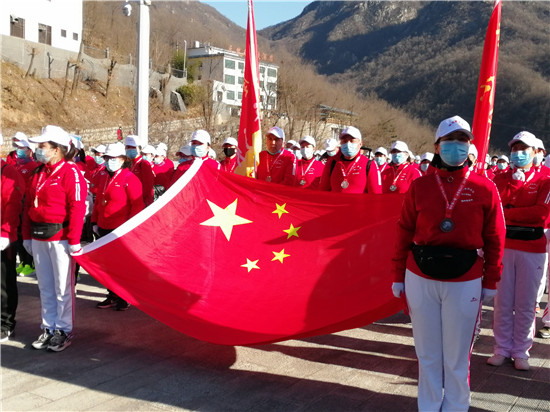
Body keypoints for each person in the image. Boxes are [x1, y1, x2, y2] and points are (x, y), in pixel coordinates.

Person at [392, 115, 505, 411]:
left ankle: (456, 406)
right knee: (427, 353)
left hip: (465, 279)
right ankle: (429, 406)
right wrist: (397, 274)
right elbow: (404, 230)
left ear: (470, 148)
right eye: (450, 141)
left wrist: (491, 279)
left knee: (456, 356)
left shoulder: (485, 187)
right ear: (437, 146)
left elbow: (495, 236)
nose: (456, 146)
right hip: (420, 275)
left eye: (462, 141)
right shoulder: (420, 186)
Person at [22, 125, 87, 352]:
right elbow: (28, 205)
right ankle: (48, 327)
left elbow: (77, 207)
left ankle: (63, 329)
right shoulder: (38, 173)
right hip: (39, 236)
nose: (39, 150)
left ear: (57, 149)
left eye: (43, 146)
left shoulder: (71, 172)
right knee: (46, 287)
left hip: (60, 238)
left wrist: (74, 240)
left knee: (63, 288)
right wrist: (26, 236)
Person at [489, 131, 550, 371]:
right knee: (502, 301)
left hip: (533, 249)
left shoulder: (546, 180)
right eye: (515, 149)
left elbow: (542, 214)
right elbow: (495, 208)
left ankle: (521, 351)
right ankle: (501, 348)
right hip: (505, 246)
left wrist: (509, 213)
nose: (519, 153)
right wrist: (516, 206)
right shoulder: (501, 178)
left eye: (525, 149)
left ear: (536, 153)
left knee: (525, 304)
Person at [92, 143, 144, 311]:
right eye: (107, 158)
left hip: (120, 230)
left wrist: (128, 229)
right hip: (103, 227)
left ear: (122, 160)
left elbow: (137, 206)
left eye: (114, 158)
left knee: (121, 266)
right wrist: (94, 222)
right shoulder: (103, 177)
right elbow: (98, 202)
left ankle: (124, 296)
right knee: (107, 266)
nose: (110, 161)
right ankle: (111, 294)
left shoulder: (130, 179)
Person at [1, 154, 26, 342]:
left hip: (4, 236)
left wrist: (5, 232)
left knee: (4, 282)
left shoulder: (8, 172)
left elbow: (13, 203)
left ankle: (6, 323)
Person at [319, 126, 382, 194]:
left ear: (360, 144)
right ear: (341, 144)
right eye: (345, 141)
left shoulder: (369, 164)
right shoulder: (331, 163)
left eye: (352, 141)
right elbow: (322, 192)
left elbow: (376, 195)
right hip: (335, 204)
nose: (348, 144)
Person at [125, 135, 155, 206]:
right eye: (128, 147)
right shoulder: (128, 164)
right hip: (129, 202)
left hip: (142, 202)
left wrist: (144, 202)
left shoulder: (144, 164)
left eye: (133, 147)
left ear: (139, 149)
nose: (130, 150)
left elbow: (148, 187)